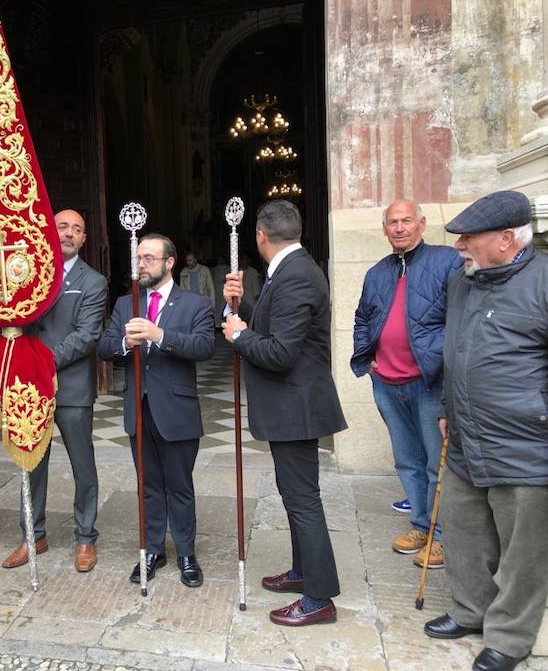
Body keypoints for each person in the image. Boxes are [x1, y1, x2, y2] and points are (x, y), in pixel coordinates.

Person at [423, 191, 548, 671]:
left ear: (506, 238)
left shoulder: (542, 281)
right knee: (465, 531)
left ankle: (509, 638)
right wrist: (447, 406)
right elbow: (457, 354)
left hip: (525, 443)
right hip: (465, 434)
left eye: (468, 237)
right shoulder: (464, 283)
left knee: (523, 551)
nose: (459, 245)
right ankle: (471, 610)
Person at [223, 200, 346, 626]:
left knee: (303, 500)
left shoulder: (296, 276)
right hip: (291, 406)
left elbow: (279, 351)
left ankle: (318, 598)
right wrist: (241, 305)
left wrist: (239, 337)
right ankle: (302, 572)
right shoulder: (292, 270)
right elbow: (274, 324)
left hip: (297, 406)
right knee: (295, 497)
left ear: (260, 235)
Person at [98, 234, 214, 588]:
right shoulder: (124, 303)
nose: (142, 264)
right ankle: (151, 550)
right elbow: (104, 346)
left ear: (169, 263)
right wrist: (123, 343)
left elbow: (205, 346)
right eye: (139, 258)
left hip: (177, 410)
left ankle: (185, 553)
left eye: (149, 258)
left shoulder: (194, 304)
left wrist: (159, 334)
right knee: (147, 485)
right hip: (139, 408)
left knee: (179, 485)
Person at [351, 200, 462, 568]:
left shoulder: (446, 262)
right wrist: (366, 358)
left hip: (428, 382)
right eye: (392, 222)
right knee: (407, 461)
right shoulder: (377, 272)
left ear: (422, 224)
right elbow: (362, 318)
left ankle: (441, 535)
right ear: (385, 228)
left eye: (406, 221)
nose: (399, 228)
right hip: (387, 382)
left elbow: (460, 317)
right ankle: (419, 525)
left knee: (436, 463)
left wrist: (440, 358)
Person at [4, 209, 108, 572]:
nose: (67, 233)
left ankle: (85, 538)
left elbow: (87, 335)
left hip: (71, 388)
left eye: (76, 229)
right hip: (29, 390)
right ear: (50, 229)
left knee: (83, 466)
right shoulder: (25, 272)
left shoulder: (93, 281)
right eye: (62, 226)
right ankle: (33, 536)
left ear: (83, 240)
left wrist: (41, 360)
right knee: (31, 463)